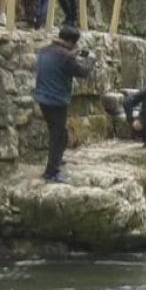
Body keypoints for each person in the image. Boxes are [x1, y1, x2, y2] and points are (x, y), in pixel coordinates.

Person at [33, 25, 95, 183]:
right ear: (70, 42)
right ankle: (51, 172)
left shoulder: (45, 50)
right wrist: (90, 60)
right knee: (58, 136)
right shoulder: (66, 57)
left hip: (42, 97)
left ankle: (57, 160)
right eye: (74, 44)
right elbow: (83, 72)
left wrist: (73, 54)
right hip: (56, 101)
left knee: (59, 133)